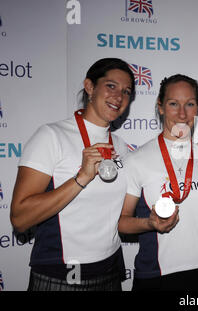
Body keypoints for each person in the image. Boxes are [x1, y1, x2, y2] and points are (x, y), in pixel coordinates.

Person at [10, 58, 136, 291]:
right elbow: (20, 218)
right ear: (89, 86)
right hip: (61, 277)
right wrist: (81, 178)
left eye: (126, 91)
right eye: (111, 86)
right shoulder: (51, 136)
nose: (119, 96)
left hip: (110, 273)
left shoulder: (121, 146)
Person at [118, 74, 198, 291]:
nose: (182, 114)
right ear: (160, 107)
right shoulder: (136, 159)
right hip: (158, 276)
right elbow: (122, 222)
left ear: (197, 109)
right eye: (173, 104)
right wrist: (149, 224)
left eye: (190, 104)